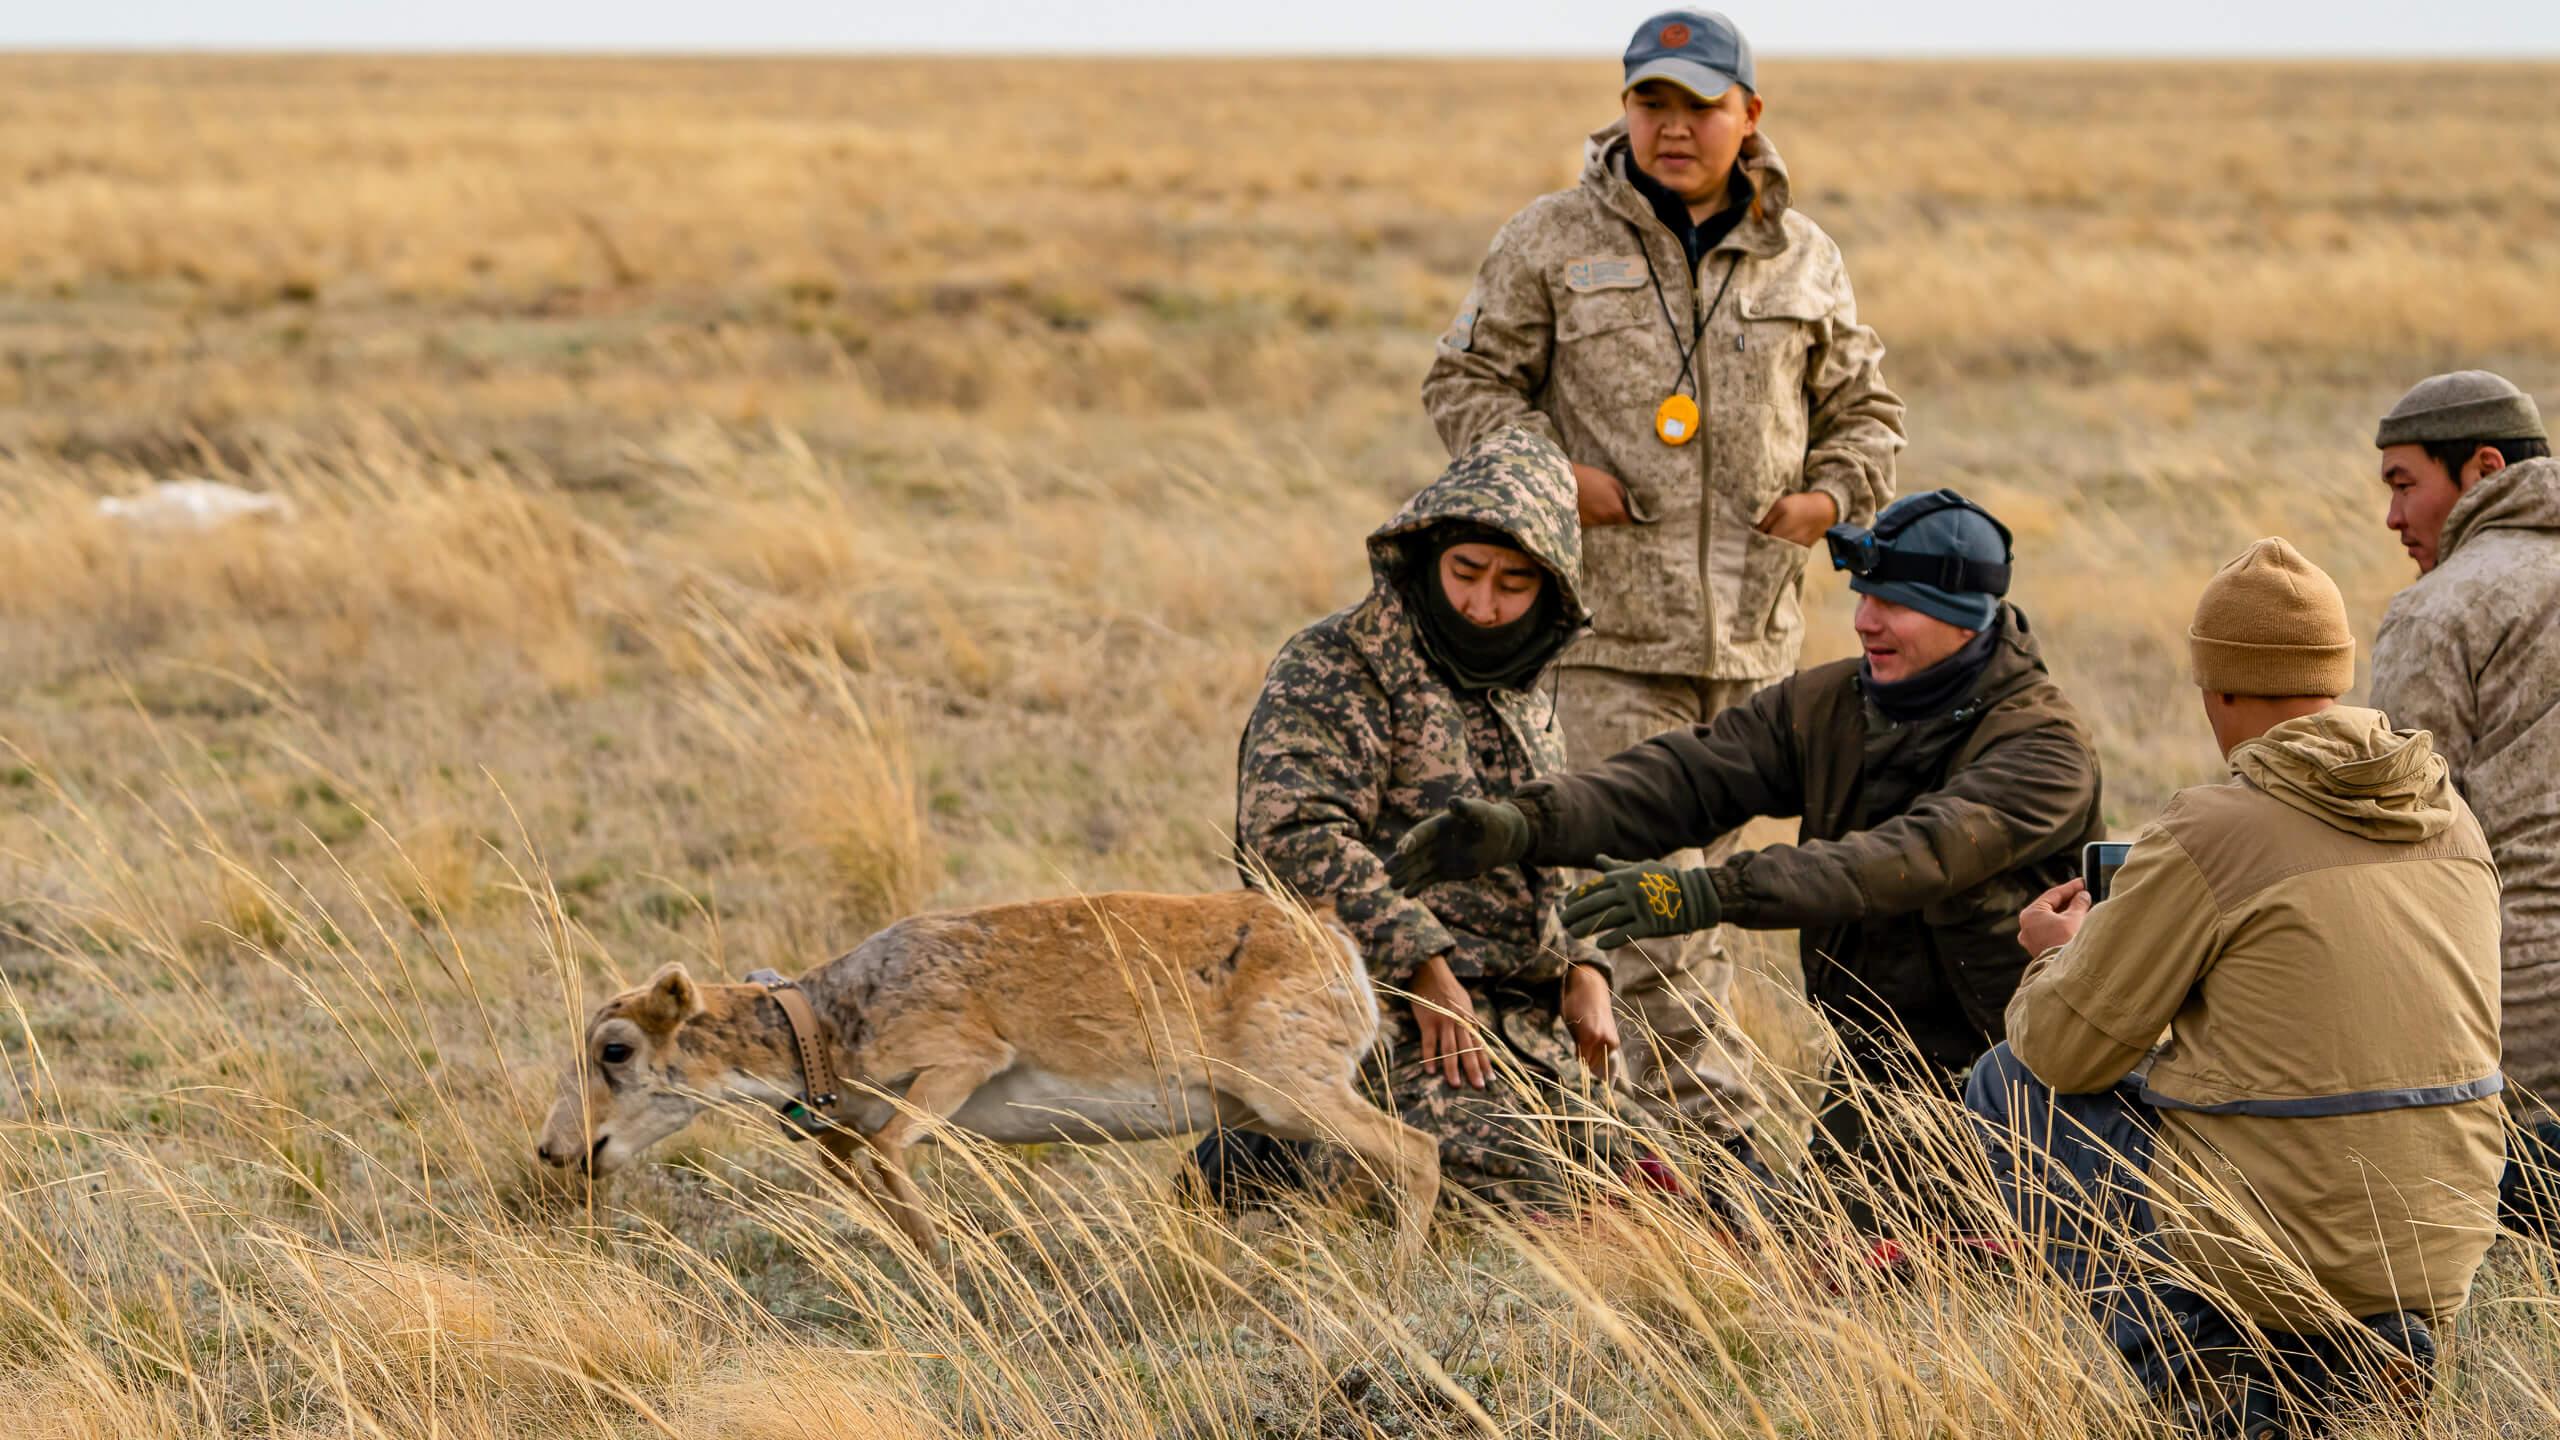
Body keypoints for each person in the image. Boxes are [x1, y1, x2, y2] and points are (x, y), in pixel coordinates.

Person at [1421, 9, 1906, 1150]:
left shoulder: (1806, 257)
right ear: (1624, 109)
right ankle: (1722, 1158)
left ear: (1750, 114)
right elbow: (1463, 386)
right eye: (1651, 103)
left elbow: (1867, 413)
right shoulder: (1548, 238)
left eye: (1697, 105)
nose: (1672, 127)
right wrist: (1552, 473)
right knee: (1652, 913)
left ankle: (1617, 1151)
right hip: (1602, 644)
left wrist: (1829, 499)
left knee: (1694, 913)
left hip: (1753, 649)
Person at [1386, 490, 2103, 1182]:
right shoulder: (1833, 704)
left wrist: (1703, 893)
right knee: (1822, 1261)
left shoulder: (2043, 749)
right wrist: (1528, 822)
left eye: (1895, 604)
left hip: (2025, 1077)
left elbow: (1902, 859)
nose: (1864, 621)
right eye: (1862, 596)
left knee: (1954, 1273)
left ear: (1966, 618)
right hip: (1882, 1073)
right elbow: (1688, 776)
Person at [1969, 538, 2506, 1436]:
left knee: (2012, 1082)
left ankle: (2204, 1378)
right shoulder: (2451, 818)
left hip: (2278, 1252)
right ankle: (2372, 1353)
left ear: (2219, 688)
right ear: (2334, 678)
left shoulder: (2213, 830)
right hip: (2440, 1243)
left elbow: (2066, 1048)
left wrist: (2062, 954)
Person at [1193, 428, 1630, 1210]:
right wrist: (1424, 968)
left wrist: (1587, 968)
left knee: (1651, 1185)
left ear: (1551, 588)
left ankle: (1266, 1151)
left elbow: (1566, 842)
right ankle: (1271, 1154)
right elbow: (1289, 840)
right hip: (1373, 1014)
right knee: (1529, 1204)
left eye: (1513, 583)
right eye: (1465, 572)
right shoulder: (1337, 664)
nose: (1483, 604)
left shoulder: (1523, 687)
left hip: (1517, 1028)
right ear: (1428, 554)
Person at [2366, 370, 2560, 1237]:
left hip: (2510, 992)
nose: (2394, 518)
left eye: (2406, 484)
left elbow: (2394, 824)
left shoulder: (2441, 609)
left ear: (2482, 467)